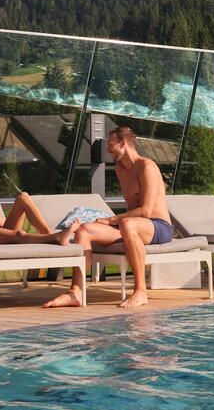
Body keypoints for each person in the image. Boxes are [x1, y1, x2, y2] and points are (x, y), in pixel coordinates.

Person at [44, 125, 172, 309]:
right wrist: (111, 222)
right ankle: (75, 292)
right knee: (85, 230)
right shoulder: (121, 169)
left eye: (111, 144)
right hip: (130, 226)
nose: (108, 149)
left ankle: (140, 291)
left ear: (124, 142)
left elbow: (146, 211)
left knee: (128, 224)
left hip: (158, 226)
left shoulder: (147, 167)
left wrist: (111, 220)